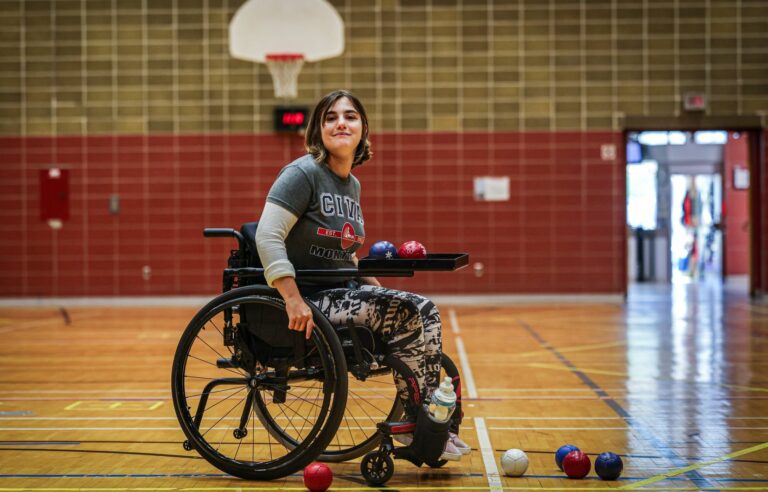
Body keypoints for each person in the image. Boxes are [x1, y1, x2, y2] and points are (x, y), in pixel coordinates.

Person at [255, 89, 469, 460]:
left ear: (363, 128)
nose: (341, 122)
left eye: (350, 116)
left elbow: (348, 256)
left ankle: (432, 426)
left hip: (341, 292)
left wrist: (381, 291)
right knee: (417, 310)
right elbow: (267, 235)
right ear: (317, 130)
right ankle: (421, 426)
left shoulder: (352, 185)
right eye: (331, 117)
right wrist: (292, 299)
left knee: (422, 312)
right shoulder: (302, 173)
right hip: (310, 298)